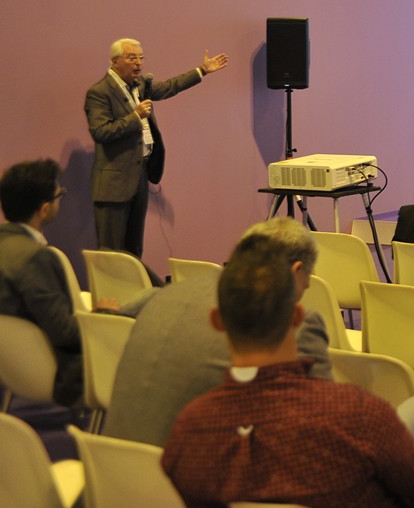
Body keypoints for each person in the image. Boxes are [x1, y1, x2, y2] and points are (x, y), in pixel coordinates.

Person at [162, 236, 414, 508]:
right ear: (297, 316)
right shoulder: (356, 414)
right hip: (407, 472)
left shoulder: (189, 430)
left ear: (217, 321)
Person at [104, 217, 333, 446]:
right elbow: (323, 428)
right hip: (191, 462)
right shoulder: (294, 322)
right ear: (296, 270)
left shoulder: (164, 296)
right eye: (304, 286)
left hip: (108, 460)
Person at [84, 37, 229, 256]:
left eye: (141, 58)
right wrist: (135, 116)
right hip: (114, 184)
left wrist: (202, 71)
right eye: (132, 58)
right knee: (112, 251)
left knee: (134, 248)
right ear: (115, 61)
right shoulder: (100, 92)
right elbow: (101, 132)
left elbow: (170, 87)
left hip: (140, 175)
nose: (138, 63)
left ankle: (135, 280)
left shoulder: (140, 85)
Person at [0, 159, 117, 407]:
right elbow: (65, 333)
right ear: (44, 209)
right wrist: (102, 316)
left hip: (11, 369)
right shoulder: (34, 258)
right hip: (61, 371)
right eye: (59, 195)